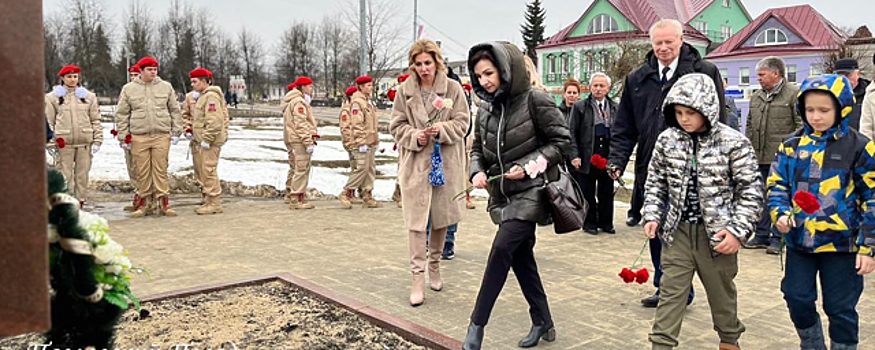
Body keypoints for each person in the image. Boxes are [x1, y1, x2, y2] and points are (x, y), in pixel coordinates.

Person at [462, 41, 572, 350]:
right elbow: (476, 151)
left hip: (533, 192)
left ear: (505, 69)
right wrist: (477, 172)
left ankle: (476, 325)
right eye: (478, 75)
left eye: (489, 72)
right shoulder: (486, 108)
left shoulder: (536, 100)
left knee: (500, 251)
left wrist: (528, 167)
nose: (484, 80)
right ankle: (543, 321)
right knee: (522, 260)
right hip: (502, 197)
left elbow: (562, 142)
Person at [609, 19, 725, 308]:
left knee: (690, 232)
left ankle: (693, 287)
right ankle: (669, 289)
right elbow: (625, 126)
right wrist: (617, 160)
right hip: (652, 168)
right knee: (656, 229)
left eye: (668, 42)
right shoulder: (637, 78)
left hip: (693, 171)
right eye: (657, 43)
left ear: (681, 40)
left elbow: (718, 121)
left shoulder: (704, 72)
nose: (662, 48)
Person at [643, 73, 761, 350]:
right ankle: (661, 344)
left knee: (722, 296)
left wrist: (737, 232)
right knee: (671, 295)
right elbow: (655, 183)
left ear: (707, 110)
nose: (684, 119)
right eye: (679, 112)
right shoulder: (667, 140)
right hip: (678, 234)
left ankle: (729, 340)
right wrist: (652, 214)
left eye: (691, 113)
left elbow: (751, 192)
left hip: (718, 238)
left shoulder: (734, 143)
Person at [768, 74, 875, 350]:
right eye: (809, 110)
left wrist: (868, 246)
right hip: (799, 242)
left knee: (840, 308)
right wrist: (779, 213)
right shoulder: (790, 146)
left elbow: (872, 198)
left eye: (824, 110)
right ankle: (812, 345)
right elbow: (777, 184)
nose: (816, 117)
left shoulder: (860, 147)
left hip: (843, 245)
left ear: (842, 108)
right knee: (796, 298)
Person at [389, 39, 470, 307]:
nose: (424, 68)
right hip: (416, 164)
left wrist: (442, 131)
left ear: (437, 62)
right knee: (415, 222)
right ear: (412, 65)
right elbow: (396, 125)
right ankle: (416, 278)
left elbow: (463, 122)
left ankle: (434, 265)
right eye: (418, 63)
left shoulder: (453, 88)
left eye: (428, 63)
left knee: (441, 217)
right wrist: (415, 136)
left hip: (445, 164)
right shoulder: (405, 91)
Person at [743, 56, 802, 255]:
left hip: (783, 158)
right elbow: (750, 123)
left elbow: (801, 125)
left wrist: (793, 150)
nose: (758, 78)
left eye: (762, 74)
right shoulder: (757, 96)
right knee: (759, 197)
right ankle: (760, 235)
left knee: (780, 197)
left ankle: (778, 238)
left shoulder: (794, 94)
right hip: (758, 156)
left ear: (775, 74)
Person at [116, 56, 183, 217]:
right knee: (142, 170)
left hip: (161, 135)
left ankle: (163, 202)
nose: (153, 72)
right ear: (141, 71)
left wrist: (176, 131)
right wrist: (123, 136)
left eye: (155, 69)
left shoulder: (165, 87)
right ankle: (144, 203)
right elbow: (122, 114)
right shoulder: (129, 89)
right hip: (139, 136)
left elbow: (174, 110)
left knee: (160, 169)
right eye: (149, 69)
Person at [45, 64, 103, 207]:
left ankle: (80, 201)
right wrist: (52, 141)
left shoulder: (89, 97)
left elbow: (95, 120)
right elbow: (49, 121)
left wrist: (97, 140)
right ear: (63, 78)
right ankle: (67, 203)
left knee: (82, 176)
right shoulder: (52, 98)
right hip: (63, 143)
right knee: (64, 176)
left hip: (84, 142)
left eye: (75, 76)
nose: (72, 80)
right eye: (69, 77)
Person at [570, 73, 617, 234]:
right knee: (587, 192)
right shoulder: (580, 107)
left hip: (607, 153)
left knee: (606, 191)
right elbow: (572, 133)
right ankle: (589, 223)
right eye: (595, 85)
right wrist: (574, 155)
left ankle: (606, 223)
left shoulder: (615, 107)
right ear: (590, 87)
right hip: (587, 153)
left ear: (608, 89)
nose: (598, 89)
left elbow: (619, 134)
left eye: (601, 86)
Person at [187, 68, 229, 215]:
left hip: (210, 141)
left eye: (195, 81)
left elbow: (215, 121)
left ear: (204, 81)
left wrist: (207, 138)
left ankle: (214, 202)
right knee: (205, 170)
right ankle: (209, 199)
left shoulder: (210, 97)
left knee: (209, 170)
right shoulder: (204, 96)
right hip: (205, 140)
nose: (192, 85)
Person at [342, 75, 381, 208]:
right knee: (361, 169)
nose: (371, 87)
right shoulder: (357, 102)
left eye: (371, 85)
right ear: (361, 87)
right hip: (362, 142)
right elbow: (357, 124)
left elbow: (372, 124)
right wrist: (361, 141)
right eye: (368, 85)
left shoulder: (368, 101)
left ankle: (367, 194)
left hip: (370, 141)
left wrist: (375, 140)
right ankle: (347, 192)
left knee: (370, 169)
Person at [282, 76, 318, 210]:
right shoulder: (298, 102)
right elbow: (301, 123)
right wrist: (307, 141)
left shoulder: (298, 101)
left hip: (297, 139)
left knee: (301, 168)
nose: (311, 89)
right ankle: (296, 198)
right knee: (301, 169)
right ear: (302, 87)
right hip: (299, 140)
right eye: (309, 86)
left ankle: (298, 196)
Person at [338, 85, 364, 206]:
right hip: (352, 143)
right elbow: (345, 128)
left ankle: (353, 194)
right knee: (358, 168)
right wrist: (349, 143)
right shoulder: (347, 109)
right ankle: (347, 193)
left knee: (356, 167)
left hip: (357, 142)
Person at [121, 65, 141, 212]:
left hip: (142, 134)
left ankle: (146, 197)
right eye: (131, 75)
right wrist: (123, 136)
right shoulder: (126, 90)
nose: (133, 78)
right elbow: (121, 114)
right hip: (129, 136)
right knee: (131, 167)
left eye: (136, 74)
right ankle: (137, 195)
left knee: (142, 168)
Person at [834, 58, 870, 131]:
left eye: (848, 75)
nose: (844, 79)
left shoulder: (869, 95)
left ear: (858, 74)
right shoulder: (830, 97)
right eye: (839, 76)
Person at [392, 73, 411, 209]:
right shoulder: (402, 97)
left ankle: (400, 192)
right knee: (404, 167)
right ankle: (400, 193)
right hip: (406, 138)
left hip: (413, 138)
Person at [558, 78, 581, 175]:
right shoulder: (557, 112)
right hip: (561, 154)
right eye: (569, 92)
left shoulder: (582, 112)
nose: (572, 95)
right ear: (564, 94)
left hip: (577, 155)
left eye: (574, 93)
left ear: (578, 95)